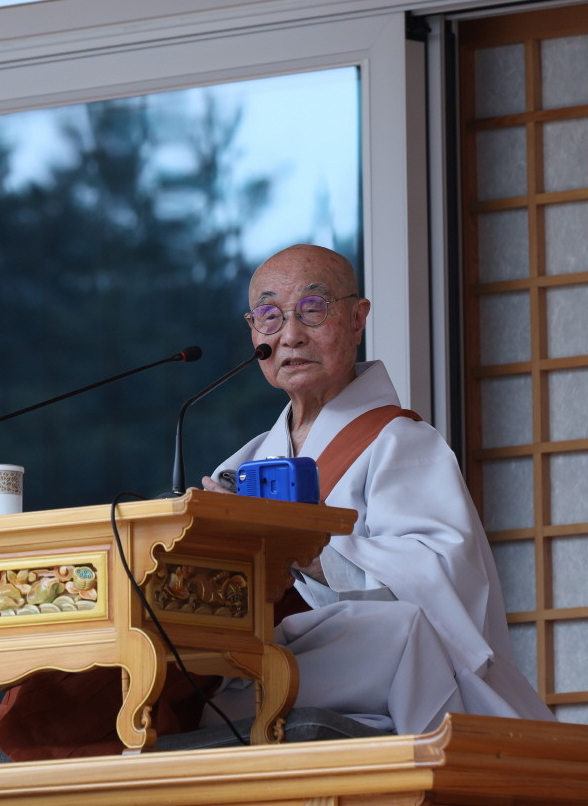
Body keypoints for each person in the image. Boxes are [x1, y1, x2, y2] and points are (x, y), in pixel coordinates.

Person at [197, 243, 554, 734]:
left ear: (358, 319)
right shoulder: (246, 463)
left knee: (398, 634)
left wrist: (305, 551)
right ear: (253, 331)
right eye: (271, 316)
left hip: (370, 664)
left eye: (313, 310)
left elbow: (441, 579)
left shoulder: (399, 442)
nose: (292, 336)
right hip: (272, 655)